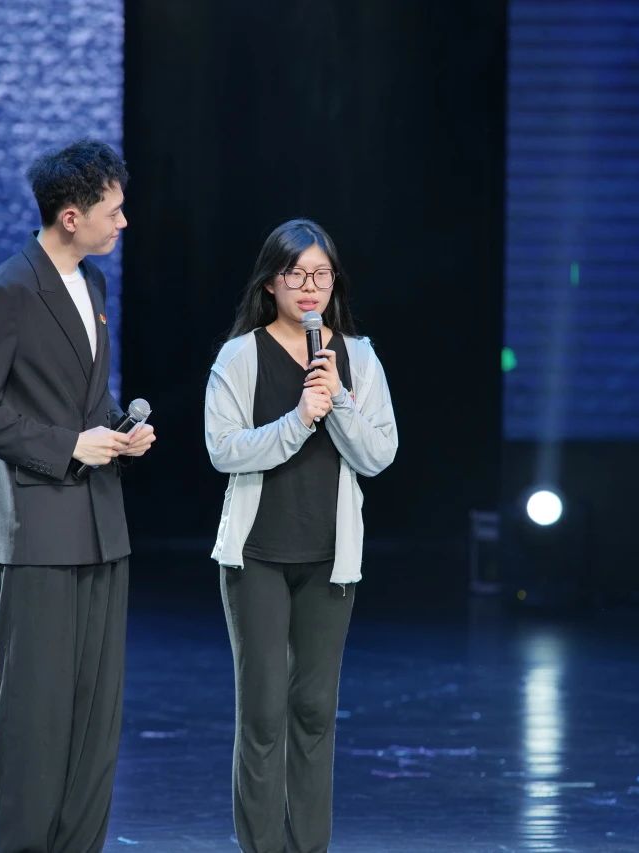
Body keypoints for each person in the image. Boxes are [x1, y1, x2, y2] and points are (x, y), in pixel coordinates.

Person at [0, 140, 154, 853]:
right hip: (37, 528)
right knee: (33, 713)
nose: (122, 221)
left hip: (101, 524)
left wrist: (117, 431)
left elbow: (82, 397)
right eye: (112, 210)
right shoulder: (9, 289)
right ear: (71, 216)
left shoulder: (92, 285)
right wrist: (68, 446)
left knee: (94, 714)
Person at [203, 219, 398, 852]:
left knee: (313, 710)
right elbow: (223, 450)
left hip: (329, 558)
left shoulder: (358, 357)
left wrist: (337, 399)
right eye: (296, 273)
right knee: (263, 712)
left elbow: (379, 455)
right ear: (271, 282)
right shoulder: (240, 356)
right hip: (256, 555)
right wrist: (297, 419)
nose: (309, 286)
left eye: (321, 273)